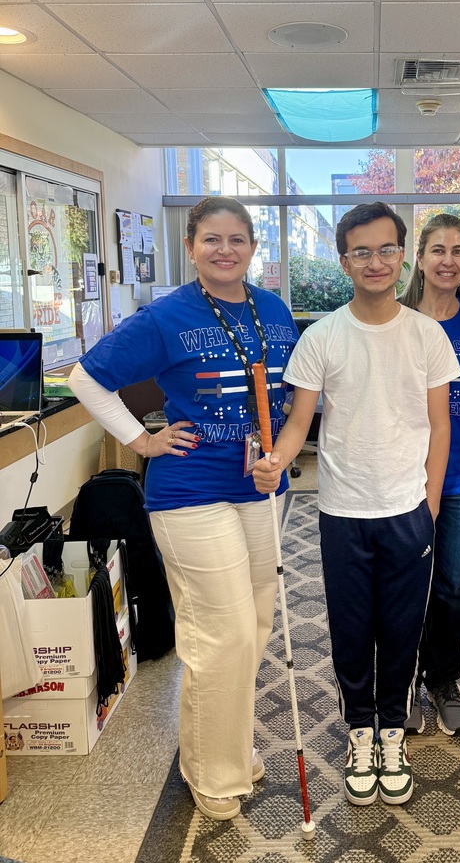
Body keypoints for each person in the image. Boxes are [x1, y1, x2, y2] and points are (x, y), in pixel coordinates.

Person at [69, 195, 298, 822]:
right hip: (191, 493)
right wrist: (141, 440)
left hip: (259, 487)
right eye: (211, 239)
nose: (225, 250)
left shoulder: (274, 308)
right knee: (221, 633)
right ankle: (212, 770)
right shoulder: (166, 316)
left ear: (253, 247)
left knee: (254, 626)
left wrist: (282, 453)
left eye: (237, 239)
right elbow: (86, 378)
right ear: (191, 247)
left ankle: (228, 744)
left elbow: (287, 394)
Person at [253, 202, 460, 808]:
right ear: (344, 261)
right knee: (350, 628)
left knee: (402, 628)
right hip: (342, 511)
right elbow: (300, 422)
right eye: (361, 252)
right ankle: (359, 733)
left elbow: (440, 426)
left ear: (403, 256)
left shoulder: (426, 335)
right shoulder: (322, 336)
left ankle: (393, 733)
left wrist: (430, 501)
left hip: (407, 509)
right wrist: (276, 459)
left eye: (386, 249)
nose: (375, 262)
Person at [399, 213, 460, 737]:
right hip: (404, 481)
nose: (448, 260)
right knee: (407, 584)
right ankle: (403, 681)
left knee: (454, 586)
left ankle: (443, 680)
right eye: (437, 250)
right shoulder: (395, 317)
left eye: (458, 251)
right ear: (419, 259)